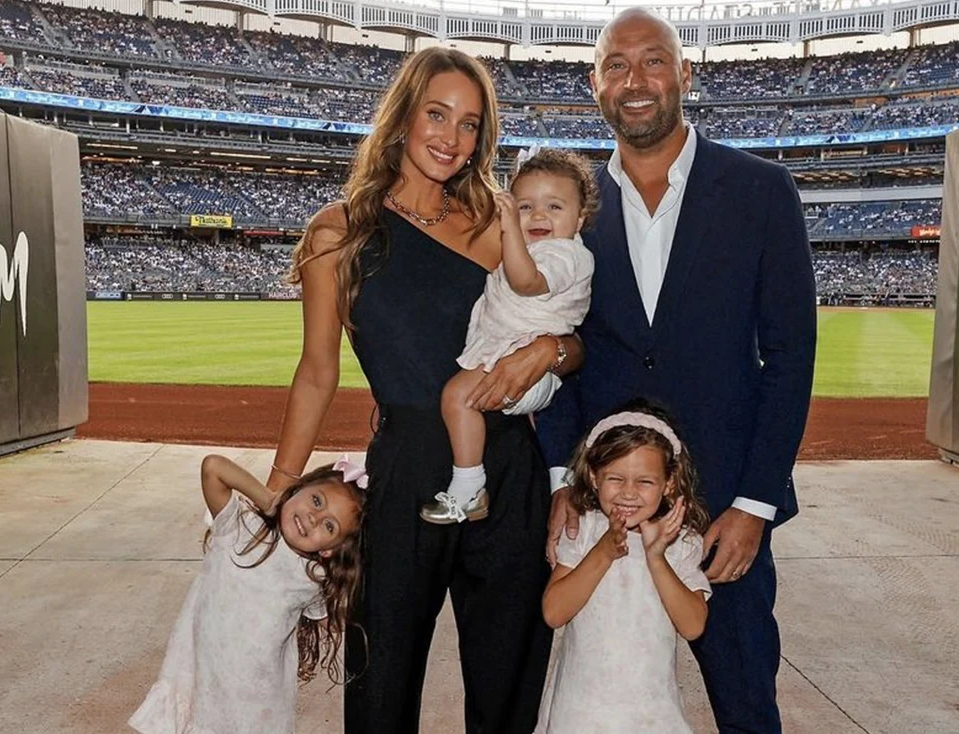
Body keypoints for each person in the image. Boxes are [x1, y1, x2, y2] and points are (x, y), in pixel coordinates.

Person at [268, 47, 581, 734]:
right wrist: (280, 485)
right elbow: (318, 369)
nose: (452, 137)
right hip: (405, 471)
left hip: (507, 473)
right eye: (437, 115)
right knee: (380, 681)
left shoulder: (499, 223)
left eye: (470, 124)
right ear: (404, 117)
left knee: (509, 683)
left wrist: (549, 350)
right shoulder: (339, 230)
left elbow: (573, 334)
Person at [537, 8, 817, 734]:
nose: (637, 81)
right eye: (618, 65)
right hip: (609, 504)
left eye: (653, 61)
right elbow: (557, 345)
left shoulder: (762, 190)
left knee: (746, 699)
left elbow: (790, 356)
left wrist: (755, 503)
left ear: (685, 73)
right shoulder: (574, 209)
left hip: (727, 500)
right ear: (594, 83)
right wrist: (561, 483)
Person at [129, 454, 367, 734]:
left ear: (330, 549)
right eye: (316, 500)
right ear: (300, 487)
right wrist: (266, 498)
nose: (314, 518)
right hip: (201, 683)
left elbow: (335, 622)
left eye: (330, 526)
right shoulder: (239, 527)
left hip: (258, 703)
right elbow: (213, 468)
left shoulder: (312, 578)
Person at [422, 148, 598, 524]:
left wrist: (508, 228)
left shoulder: (566, 255)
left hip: (524, 365)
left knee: (457, 398)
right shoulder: (542, 248)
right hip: (518, 360)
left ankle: (469, 486)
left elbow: (525, 280)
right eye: (525, 207)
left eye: (554, 207)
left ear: (580, 218)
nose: (538, 216)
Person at [536, 400, 711, 733]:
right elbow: (554, 612)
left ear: (669, 483)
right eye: (616, 478)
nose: (628, 494)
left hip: (651, 712)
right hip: (581, 710)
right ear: (593, 476)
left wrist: (656, 556)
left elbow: (692, 626)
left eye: (645, 482)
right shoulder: (583, 529)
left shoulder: (680, 541)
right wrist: (603, 551)